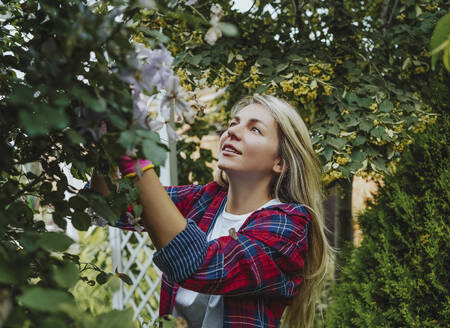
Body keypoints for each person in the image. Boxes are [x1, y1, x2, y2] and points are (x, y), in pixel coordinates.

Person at [91, 94, 332, 328]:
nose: (232, 132)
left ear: (279, 162)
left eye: (254, 129)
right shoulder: (203, 200)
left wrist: (135, 157)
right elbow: (107, 204)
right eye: (233, 123)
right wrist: (108, 142)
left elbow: (201, 265)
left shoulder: (288, 226)